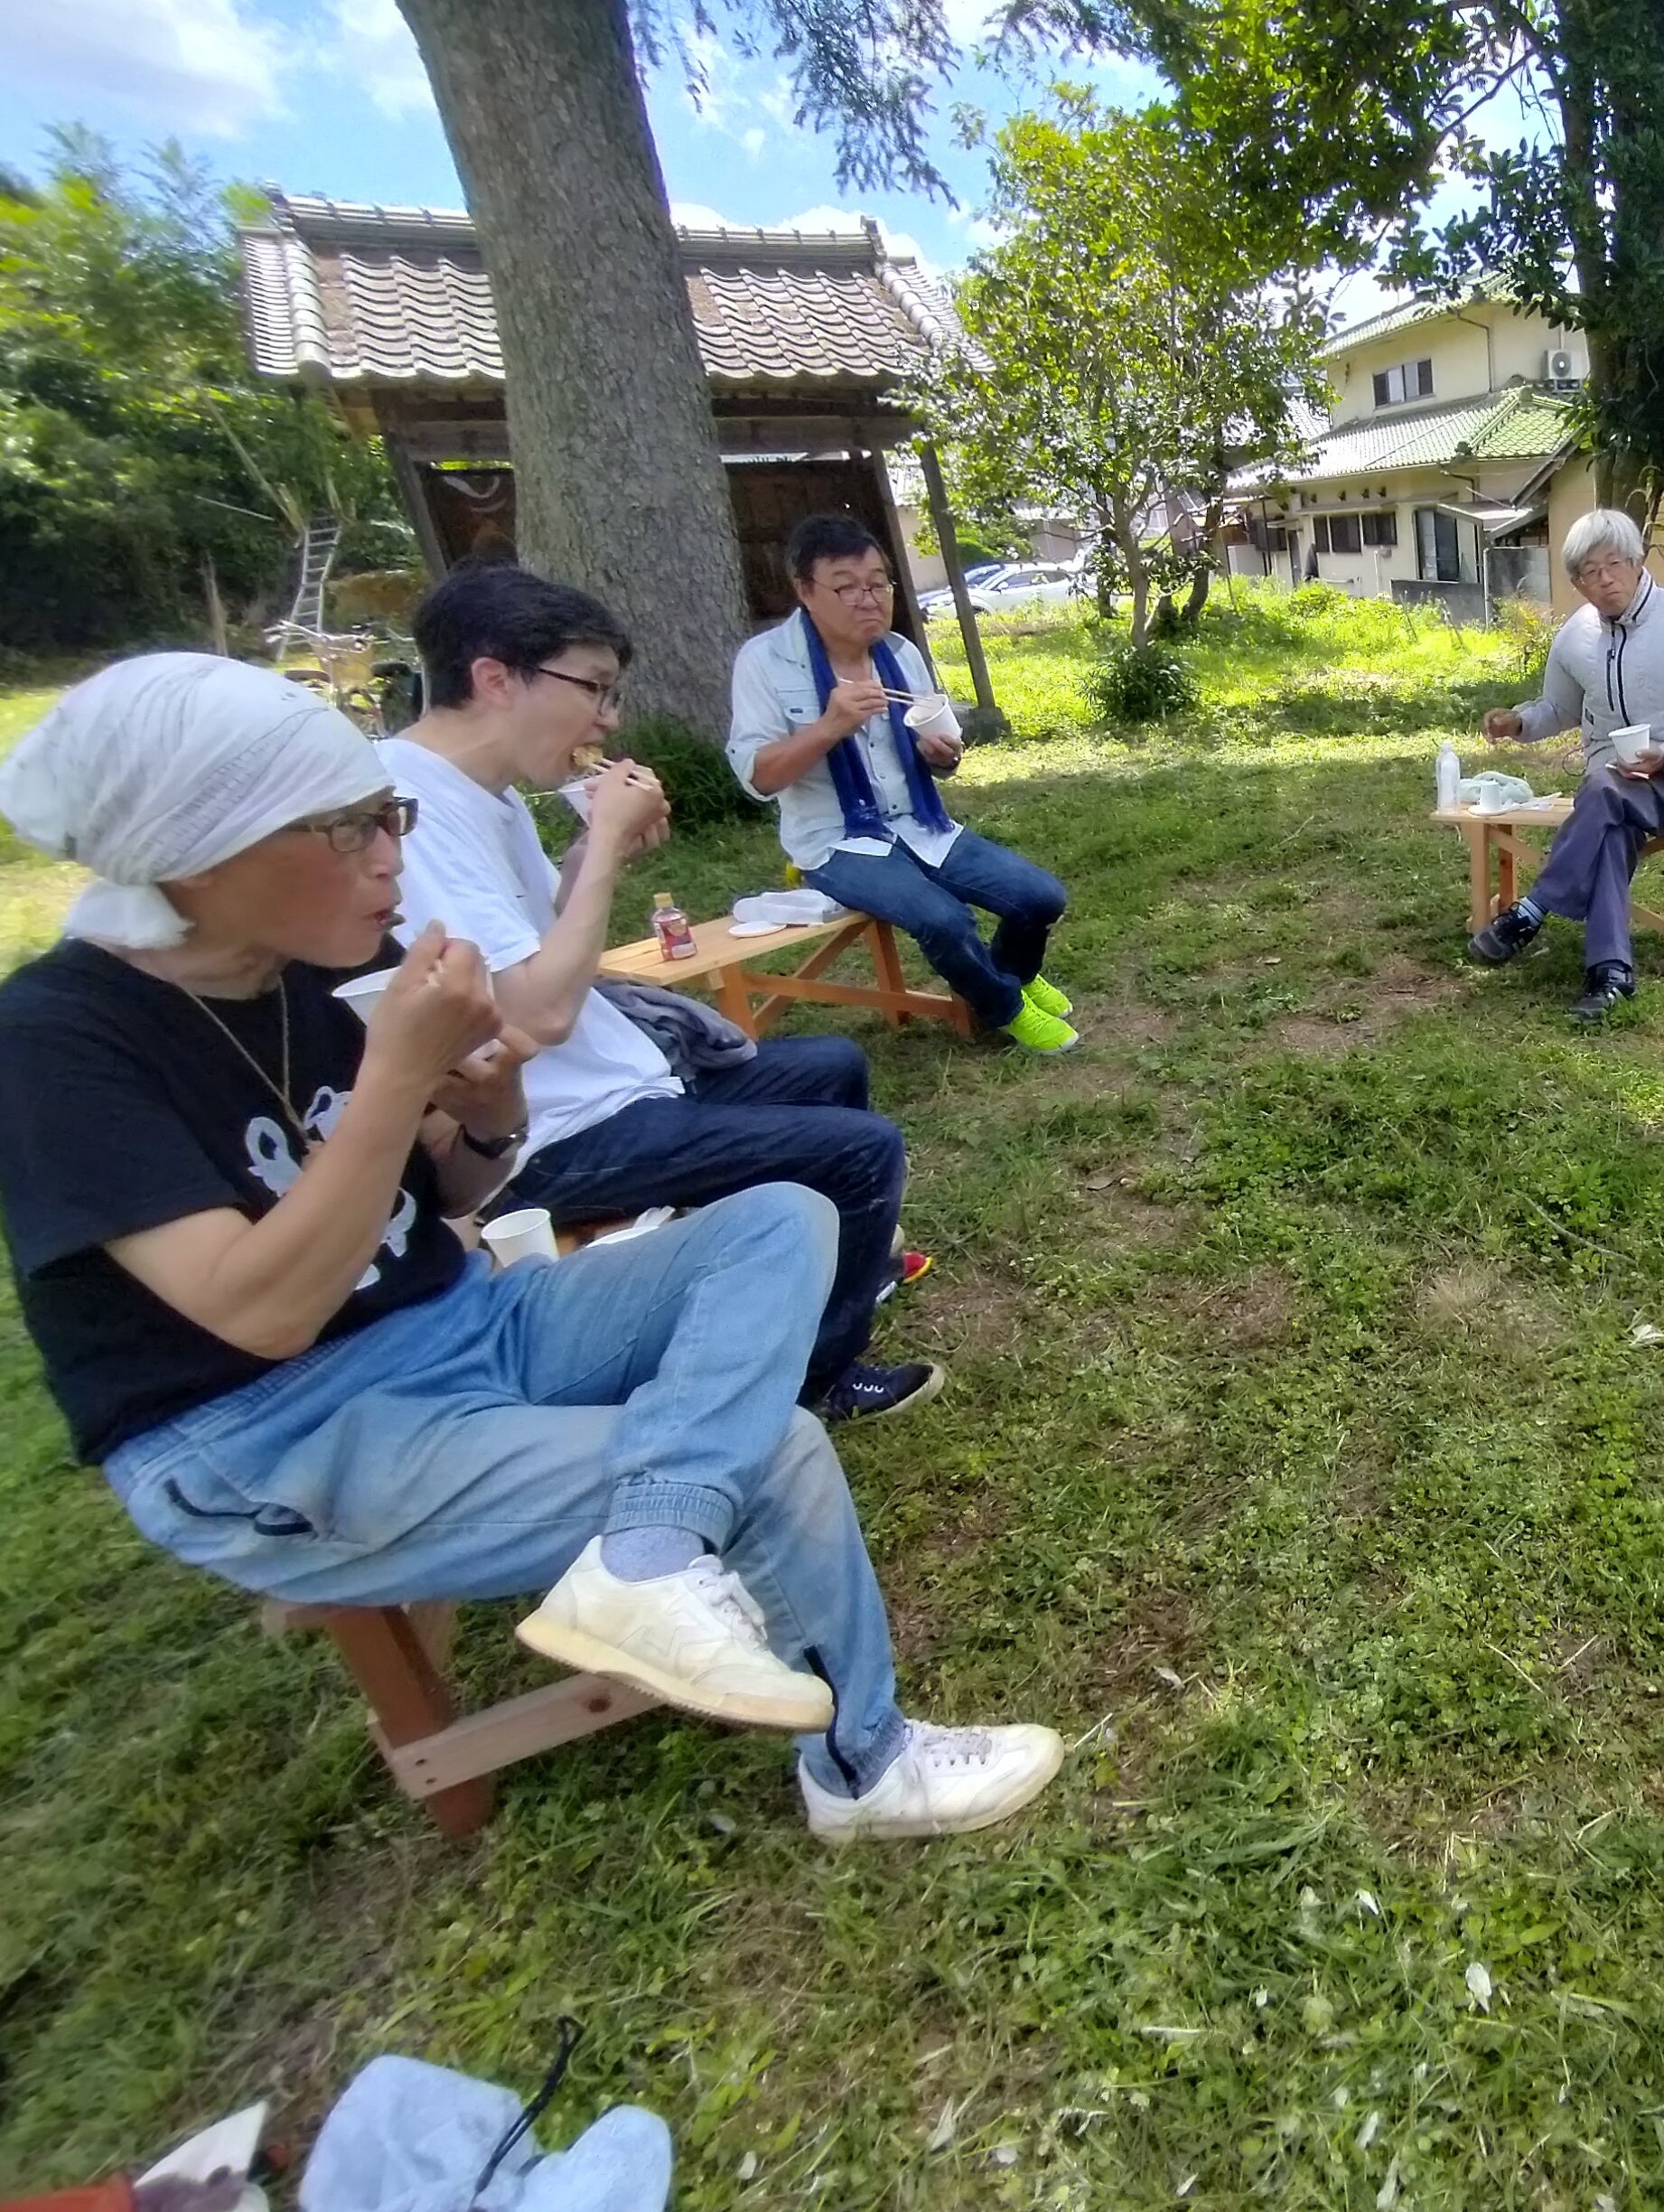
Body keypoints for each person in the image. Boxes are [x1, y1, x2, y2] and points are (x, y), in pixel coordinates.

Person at [0, 658, 1061, 1843]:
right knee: (772, 1450)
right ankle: (864, 1769)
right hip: (274, 1434)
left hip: (459, 1319)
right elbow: (259, 1314)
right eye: (348, 829)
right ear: (198, 854)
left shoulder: (307, 971)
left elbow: (445, 1193)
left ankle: (649, 1550)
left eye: (388, 816)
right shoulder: (58, 1041)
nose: (389, 857)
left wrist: (487, 1110)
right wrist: (398, 1073)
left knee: (782, 1214)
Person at [380, 562, 940, 1426]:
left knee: (832, 1064)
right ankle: (814, 1375)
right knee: (860, 1151)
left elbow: (543, 947)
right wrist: (602, 846)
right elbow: (537, 1014)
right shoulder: (414, 811)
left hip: (614, 1082)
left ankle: (828, 1270)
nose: (607, 719)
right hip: (551, 1135)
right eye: (593, 688)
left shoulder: (491, 798)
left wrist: (583, 862)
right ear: (496, 678)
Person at [727, 514, 1077, 1054]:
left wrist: (942, 756)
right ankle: (1005, 1008)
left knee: (1040, 897)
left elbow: (941, 752)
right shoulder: (765, 663)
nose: (868, 600)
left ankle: (1010, 978)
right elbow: (758, 777)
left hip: (920, 824)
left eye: (878, 584)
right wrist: (829, 727)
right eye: (847, 587)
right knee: (944, 920)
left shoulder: (900, 654)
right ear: (805, 591)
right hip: (834, 841)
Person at [1467, 509, 1664, 1020]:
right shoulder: (1575, 636)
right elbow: (1559, 707)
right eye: (1588, 572)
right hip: (1608, 787)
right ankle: (1611, 975)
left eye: (1614, 564)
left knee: (1601, 791)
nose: (1604, 579)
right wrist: (1520, 722)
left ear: (1638, 562)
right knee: (1609, 828)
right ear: (1577, 583)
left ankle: (1531, 910)